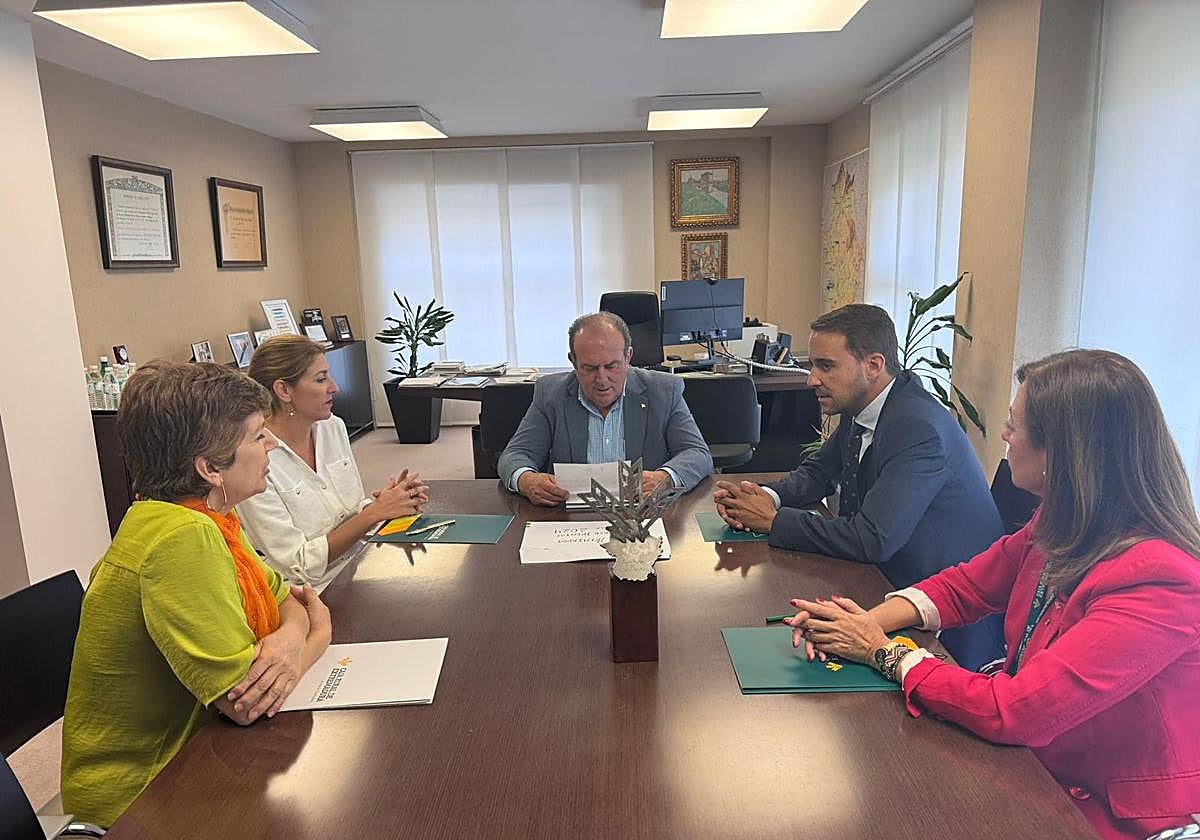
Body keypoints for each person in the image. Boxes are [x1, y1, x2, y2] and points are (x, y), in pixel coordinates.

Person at [785, 350, 1200, 839]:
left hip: (1108, 810)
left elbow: (1019, 710)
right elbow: (967, 586)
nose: (1004, 437)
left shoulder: (1160, 578)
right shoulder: (1060, 522)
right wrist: (867, 622)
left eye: (1014, 425)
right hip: (1035, 767)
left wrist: (882, 652)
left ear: (1064, 452)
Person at [61, 361, 332, 828]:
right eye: (256, 437)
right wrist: (317, 633)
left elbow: (288, 597)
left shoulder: (205, 517)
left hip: (197, 756)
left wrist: (290, 637)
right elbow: (247, 704)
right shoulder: (182, 539)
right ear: (209, 468)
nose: (271, 444)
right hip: (145, 793)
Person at [714, 303, 1004, 668]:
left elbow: (873, 538)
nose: (810, 379)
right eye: (813, 365)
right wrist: (763, 497)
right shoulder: (866, 407)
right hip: (883, 582)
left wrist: (773, 521)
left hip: (943, 623)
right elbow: (820, 471)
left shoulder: (917, 427)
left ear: (873, 366)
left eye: (826, 366)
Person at [236, 334, 428, 591]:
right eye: (320, 379)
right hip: (312, 593)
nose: (334, 387)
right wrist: (376, 512)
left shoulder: (332, 427)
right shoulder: (254, 460)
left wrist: (390, 501)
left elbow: (351, 510)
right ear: (283, 390)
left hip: (362, 561)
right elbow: (298, 565)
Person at [498, 312, 713, 505]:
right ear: (573, 361)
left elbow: (697, 453)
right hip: (569, 517)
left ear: (628, 357)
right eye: (589, 368)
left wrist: (666, 478)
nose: (602, 379)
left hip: (644, 513)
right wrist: (526, 480)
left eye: (611, 366)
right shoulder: (551, 394)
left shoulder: (664, 390)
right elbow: (515, 454)